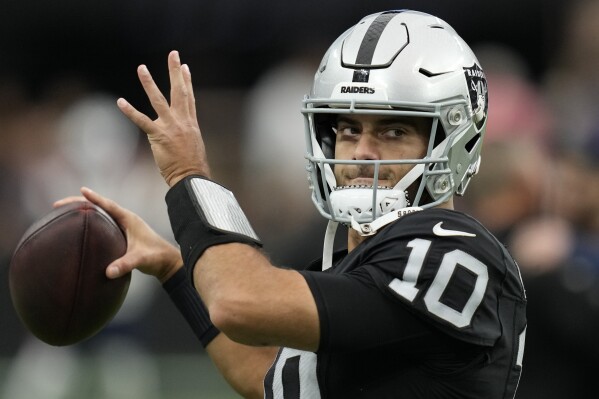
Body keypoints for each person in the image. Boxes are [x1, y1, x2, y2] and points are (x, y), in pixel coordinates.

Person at [57, 10, 527, 398]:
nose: (362, 151)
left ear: (455, 139)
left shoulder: (453, 252)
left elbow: (238, 302)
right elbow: (271, 379)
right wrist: (174, 269)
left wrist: (187, 176)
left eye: (393, 131)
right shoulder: (358, 265)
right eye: (348, 130)